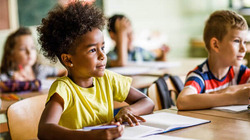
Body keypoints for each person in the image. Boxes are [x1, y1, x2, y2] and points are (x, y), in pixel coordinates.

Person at [37, 2, 154, 140]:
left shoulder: (107, 78)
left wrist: (127, 110)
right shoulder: (64, 89)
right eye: (92, 50)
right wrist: (90, 136)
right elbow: (44, 130)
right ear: (68, 60)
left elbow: (147, 102)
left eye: (102, 48)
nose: (102, 55)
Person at [177, 10, 250, 110]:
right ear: (216, 45)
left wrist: (230, 89)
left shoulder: (239, 72)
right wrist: (234, 97)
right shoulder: (200, 77)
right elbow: (182, 101)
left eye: (245, 42)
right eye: (237, 41)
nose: (244, 49)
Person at [0, 27, 65, 92]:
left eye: (32, 47)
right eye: (22, 49)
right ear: (10, 54)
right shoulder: (6, 75)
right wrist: (13, 83)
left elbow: (65, 72)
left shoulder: (40, 69)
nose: (29, 52)